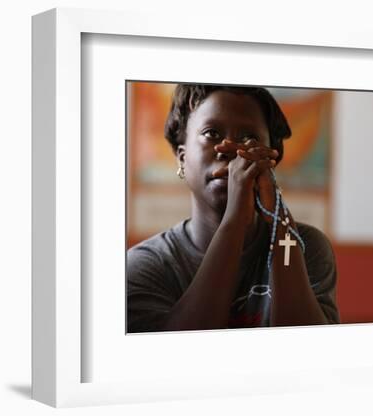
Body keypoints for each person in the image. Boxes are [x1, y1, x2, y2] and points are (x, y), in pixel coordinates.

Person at [127, 84, 339, 332]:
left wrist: (280, 221)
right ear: (182, 158)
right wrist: (236, 219)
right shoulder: (146, 265)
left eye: (249, 139)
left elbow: (307, 351)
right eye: (211, 133)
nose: (232, 149)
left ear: (271, 159)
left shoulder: (303, 246)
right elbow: (183, 354)